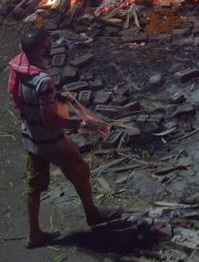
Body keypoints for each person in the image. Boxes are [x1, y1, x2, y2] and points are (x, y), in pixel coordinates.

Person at [7, 28, 121, 249]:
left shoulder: (19, 66)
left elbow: (29, 98)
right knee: (80, 170)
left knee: (34, 186)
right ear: (41, 48)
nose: (50, 47)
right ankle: (93, 214)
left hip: (30, 137)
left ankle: (34, 235)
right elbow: (49, 120)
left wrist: (56, 97)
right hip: (49, 141)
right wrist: (80, 123)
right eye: (48, 43)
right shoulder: (42, 80)